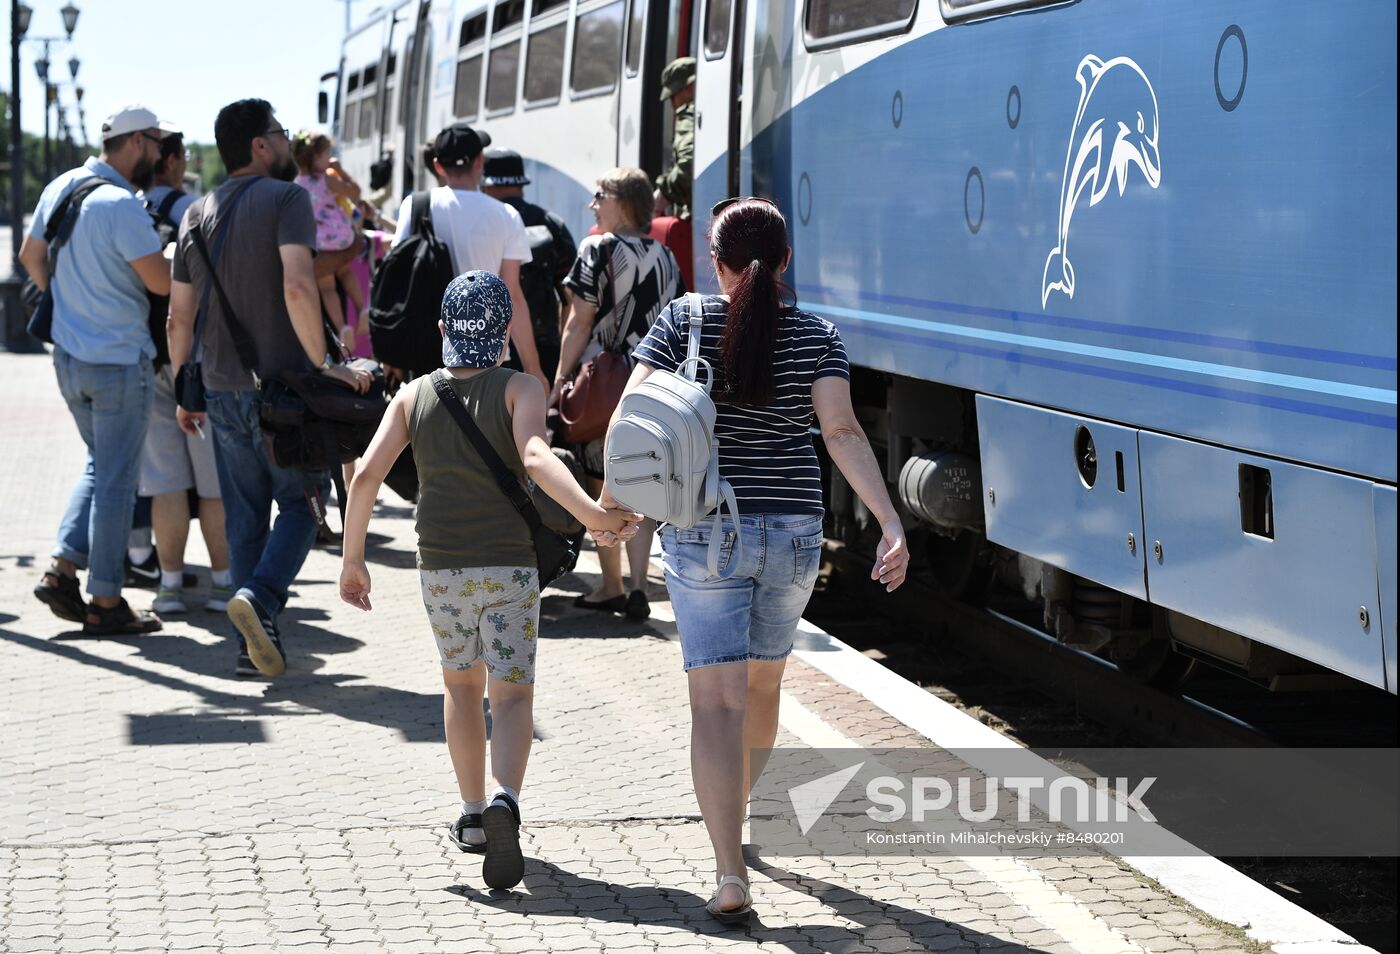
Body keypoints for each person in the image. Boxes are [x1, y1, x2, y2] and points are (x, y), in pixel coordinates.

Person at [604, 197, 909, 923]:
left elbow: (629, 420)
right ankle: (743, 829)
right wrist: (890, 520)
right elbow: (839, 430)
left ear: (716, 262)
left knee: (715, 701)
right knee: (764, 690)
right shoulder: (817, 334)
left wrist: (613, 505)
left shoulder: (684, 321)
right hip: (793, 536)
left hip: (708, 530)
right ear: (785, 263)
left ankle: (728, 870)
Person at [339, 270, 641, 890]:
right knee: (511, 696)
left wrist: (352, 560)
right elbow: (536, 457)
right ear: (503, 333)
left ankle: (472, 815)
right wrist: (596, 518)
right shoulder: (521, 388)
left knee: (459, 690)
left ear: (444, 330)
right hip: (508, 570)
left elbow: (365, 476)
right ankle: (507, 800)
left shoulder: (413, 395)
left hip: (441, 571)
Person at [166, 98, 372, 678]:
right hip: (285, 392)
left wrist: (186, 387)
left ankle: (248, 647)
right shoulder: (287, 199)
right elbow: (300, 287)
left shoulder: (196, 213)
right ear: (260, 145)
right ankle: (260, 599)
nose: (286, 142)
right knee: (305, 507)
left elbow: (178, 317)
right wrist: (324, 365)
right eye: (280, 133)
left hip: (220, 389)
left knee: (245, 515)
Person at [22, 103, 178, 635]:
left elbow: (28, 254)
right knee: (116, 480)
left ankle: (62, 568)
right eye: (155, 143)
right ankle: (106, 601)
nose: (158, 154)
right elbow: (160, 284)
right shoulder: (120, 205)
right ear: (135, 143)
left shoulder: (62, 186)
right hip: (117, 364)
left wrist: (66, 305)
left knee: (99, 466)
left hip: (69, 360)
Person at [554, 167, 684, 621]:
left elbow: (579, 323)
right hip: (658, 383)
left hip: (608, 384)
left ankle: (610, 585)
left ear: (622, 201)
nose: (593, 205)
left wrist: (557, 381)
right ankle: (637, 584)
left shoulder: (597, 248)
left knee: (600, 478)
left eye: (599, 196)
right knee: (643, 480)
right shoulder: (666, 257)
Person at [134, 131, 234, 614]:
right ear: (172, 162)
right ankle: (222, 585)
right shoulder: (192, 210)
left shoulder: (128, 207)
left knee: (165, 482)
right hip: (195, 364)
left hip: (147, 359)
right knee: (213, 484)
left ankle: (169, 586)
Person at [392, 124, 547, 391]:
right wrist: (534, 369)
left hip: (427, 348)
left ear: (438, 166)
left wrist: (391, 353)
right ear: (480, 162)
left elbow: (398, 278)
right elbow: (513, 295)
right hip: (488, 350)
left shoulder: (416, 205)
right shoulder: (506, 215)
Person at [481, 148, 577, 382]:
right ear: (521, 183)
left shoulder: (478, 223)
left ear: (486, 185)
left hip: (486, 343)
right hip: (544, 345)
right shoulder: (551, 223)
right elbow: (571, 294)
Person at [291, 131, 365, 355]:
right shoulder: (327, 179)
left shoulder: (295, 185)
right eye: (326, 154)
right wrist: (340, 169)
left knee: (327, 288)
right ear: (315, 158)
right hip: (342, 239)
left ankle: (341, 327)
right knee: (345, 273)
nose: (330, 158)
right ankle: (363, 308)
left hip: (320, 244)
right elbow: (356, 192)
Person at [653, 57, 695, 220]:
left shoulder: (690, 115)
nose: (672, 105)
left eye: (673, 96)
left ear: (689, 87)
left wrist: (664, 193)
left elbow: (688, 164)